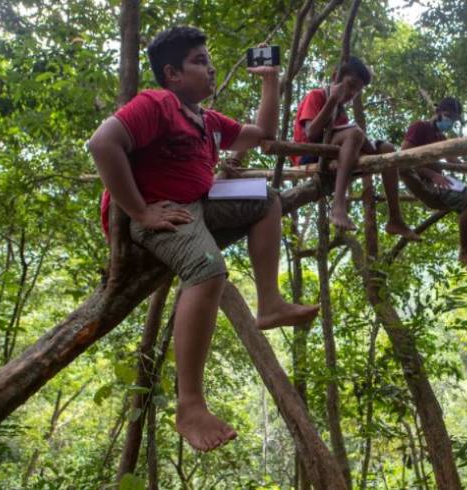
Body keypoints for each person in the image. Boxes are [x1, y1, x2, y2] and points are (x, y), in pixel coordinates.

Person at [88, 26, 319, 452]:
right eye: (199, 61)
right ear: (172, 73)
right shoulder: (157, 104)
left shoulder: (207, 120)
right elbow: (103, 144)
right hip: (161, 210)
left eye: (208, 61)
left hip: (198, 202)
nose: (210, 68)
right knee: (207, 268)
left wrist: (270, 80)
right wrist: (139, 210)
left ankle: (268, 303)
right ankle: (189, 404)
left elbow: (262, 134)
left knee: (267, 199)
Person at [292, 56, 419, 238]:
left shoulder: (342, 112)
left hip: (333, 153)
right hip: (309, 154)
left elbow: (348, 140)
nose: (352, 93)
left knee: (388, 148)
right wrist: (332, 102)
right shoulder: (317, 95)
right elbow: (311, 133)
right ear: (336, 77)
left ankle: (395, 218)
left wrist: (368, 144)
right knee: (354, 133)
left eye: (357, 91)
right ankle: (338, 205)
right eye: (351, 86)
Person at [398, 97, 467, 281]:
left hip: (439, 181)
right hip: (423, 182)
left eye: (454, 119)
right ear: (438, 112)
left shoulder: (440, 138)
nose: (449, 122)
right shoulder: (420, 127)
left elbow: (456, 163)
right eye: (448, 116)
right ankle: (465, 254)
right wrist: (432, 175)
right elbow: (403, 160)